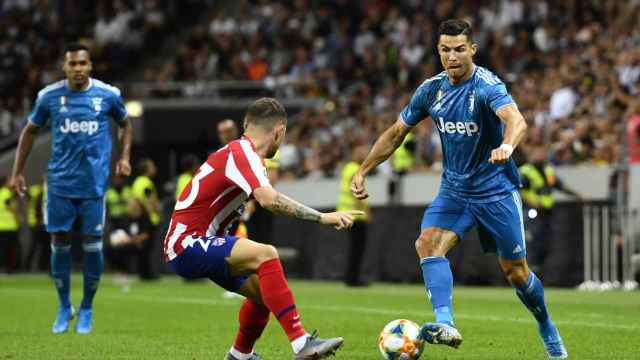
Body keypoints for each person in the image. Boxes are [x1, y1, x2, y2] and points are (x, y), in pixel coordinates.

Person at [350, 20, 567, 358]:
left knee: (516, 273)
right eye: (445, 49)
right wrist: (364, 170)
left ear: (472, 49)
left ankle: (547, 326)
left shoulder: (486, 85)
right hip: (454, 191)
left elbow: (516, 120)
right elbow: (396, 132)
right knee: (427, 243)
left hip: (495, 190)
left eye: (459, 49)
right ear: (438, 51)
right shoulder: (430, 90)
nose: (452, 56)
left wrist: (507, 147)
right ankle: (446, 322)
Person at [164, 98, 361, 360]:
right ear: (279, 131)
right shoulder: (243, 153)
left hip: (199, 241)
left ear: (246, 124)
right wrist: (323, 217)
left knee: (263, 295)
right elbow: (269, 199)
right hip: (186, 243)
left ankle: (239, 355)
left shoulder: (241, 153)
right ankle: (302, 343)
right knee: (267, 253)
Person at [9, 43, 132, 334]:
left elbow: (126, 124)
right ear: (65, 67)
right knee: (59, 243)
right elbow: (29, 131)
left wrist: (125, 157)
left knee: (92, 246)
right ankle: (65, 306)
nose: (77, 69)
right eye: (72, 64)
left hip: (93, 185)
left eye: (82, 63)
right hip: (60, 184)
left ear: (90, 66)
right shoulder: (49, 97)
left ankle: (87, 307)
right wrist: (16, 172)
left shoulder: (108, 95)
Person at [520, 146, 582, 275]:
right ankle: (528, 271)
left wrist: (577, 195)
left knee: (545, 242)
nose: (541, 155)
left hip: (547, 213)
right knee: (532, 240)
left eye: (542, 152)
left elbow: (560, 186)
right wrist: (533, 203)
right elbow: (518, 190)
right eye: (537, 152)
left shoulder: (548, 171)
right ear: (531, 155)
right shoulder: (525, 171)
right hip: (531, 212)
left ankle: (537, 270)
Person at [337, 143, 371, 287]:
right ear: (353, 153)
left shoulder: (347, 168)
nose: (363, 153)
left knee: (353, 248)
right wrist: (365, 211)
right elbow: (356, 192)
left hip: (347, 213)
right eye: (360, 151)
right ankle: (353, 278)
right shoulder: (355, 169)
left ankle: (350, 277)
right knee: (357, 249)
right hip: (355, 216)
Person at [131, 158, 159, 280]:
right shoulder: (146, 182)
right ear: (146, 169)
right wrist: (154, 212)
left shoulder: (137, 182)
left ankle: (144, 272)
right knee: (147, 246)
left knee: (144, 246)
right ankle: (146, 273)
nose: (154, 168)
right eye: (152, 166)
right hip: (147, 218)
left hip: (142, 218)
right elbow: (149, 201)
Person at [0, 175, 22, 273]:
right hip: (10, 227)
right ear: (5, 183)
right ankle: (8, 268)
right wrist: (19, 218)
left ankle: (3, 268)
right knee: (10, 249)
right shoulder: (7, 194)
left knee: (2, 249)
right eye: (9, 181)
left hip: (1, 226)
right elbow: (11, 207)